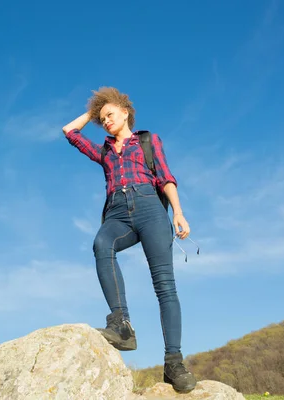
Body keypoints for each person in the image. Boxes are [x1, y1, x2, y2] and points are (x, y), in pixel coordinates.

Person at [62, 87, 197, 394]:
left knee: (165, 285)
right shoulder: (104, 151)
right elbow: (70, 131)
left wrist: (178, 212)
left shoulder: (148, 141)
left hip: (150, 207)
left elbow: (165, 175)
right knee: (101, 245)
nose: (105, 121)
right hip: (118, 212)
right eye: (102, 118)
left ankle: (173, 363)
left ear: (125, 112)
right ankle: (121, 326)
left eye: (110, 114)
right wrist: (93, 110)